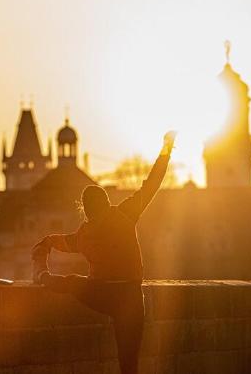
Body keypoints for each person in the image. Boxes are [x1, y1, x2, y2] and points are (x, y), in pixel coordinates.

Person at [31, 131, 176, 374]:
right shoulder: (125, 214)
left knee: (74, 284)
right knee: (129, 363)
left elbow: (64, 242)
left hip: (103, 293)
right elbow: (152, 184)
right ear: (106, 201)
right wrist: (166, 150)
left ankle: (43, 278)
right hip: (131, 296)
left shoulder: (85, 232)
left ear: (86, 209)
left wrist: (44, 245)